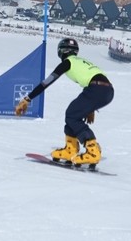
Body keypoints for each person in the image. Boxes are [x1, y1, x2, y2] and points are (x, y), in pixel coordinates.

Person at [15, 37, 113, 166]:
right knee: (72, 114)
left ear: (61, 51)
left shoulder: (67, 62)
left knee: (72, 116)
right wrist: (90, 108)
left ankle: (92, 151)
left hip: (95, 89)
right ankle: (70, 150)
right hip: (107, 91)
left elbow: (47, 82)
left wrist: (27, 99)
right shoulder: (83, 62)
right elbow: (95, 79)